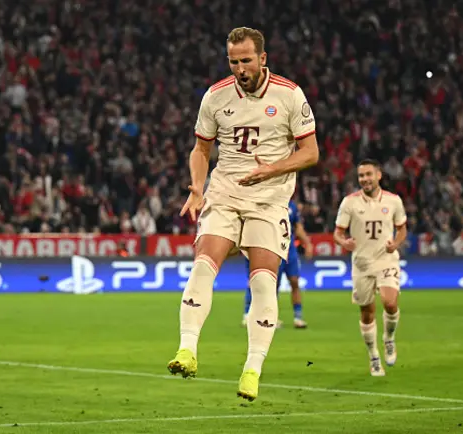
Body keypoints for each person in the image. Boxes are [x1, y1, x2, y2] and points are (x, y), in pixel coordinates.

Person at [166, 27, 319, 402]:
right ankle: (187, 349)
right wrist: (198, 188)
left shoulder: (289, 94)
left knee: (264, 282)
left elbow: (311, 152)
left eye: (246, 60)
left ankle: (252, 369)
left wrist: (273, 169)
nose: (239, 68)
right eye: (233, 61)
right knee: (203, 263)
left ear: (262, 58)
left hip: (269, 201)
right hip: (225, 193)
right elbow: (201, 150)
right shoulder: (216, 96)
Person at [333, 159, 407, 376]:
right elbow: (337, 232)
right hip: (362, 263)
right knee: (367, 312)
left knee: (390, 302)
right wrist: (343, 242)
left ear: (379, 175)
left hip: (386, 259)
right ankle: (374, 356)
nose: (364, 179)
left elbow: (402, 229)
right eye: (361, 176)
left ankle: (389, 339)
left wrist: (396, 243)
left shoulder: (394, 201)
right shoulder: (349, 203)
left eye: (368, 174)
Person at [242, 199, 313, 329]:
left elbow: (297, 227)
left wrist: (307, 243)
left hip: (290, 251)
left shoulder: (292, 206)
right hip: (274, 250)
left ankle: (298, 317)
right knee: (272, 285)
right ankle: (266, 317)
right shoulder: (268, 203)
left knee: (295, 282)